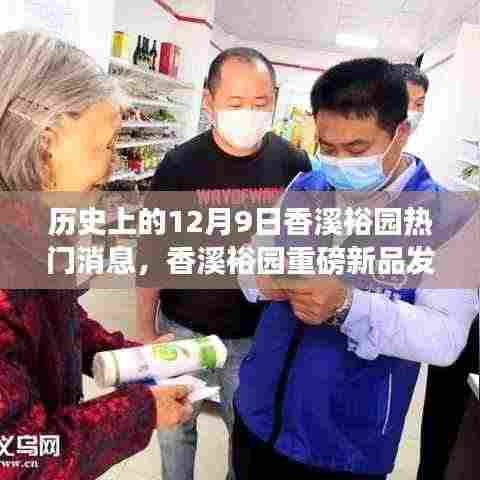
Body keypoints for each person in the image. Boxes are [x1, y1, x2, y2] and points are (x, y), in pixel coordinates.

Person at [233, 58, 478, 479]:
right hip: (259, 414)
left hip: (345, 447)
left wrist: (348, 306)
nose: (339, 161)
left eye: (357, 149)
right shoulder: (304, 187)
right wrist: (266, 279)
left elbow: (446, 339)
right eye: (327, 148)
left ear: (400, 134)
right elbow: (249, 260)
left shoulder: (451, 220)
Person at [0, 31, 193, 480]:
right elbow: (19, 459)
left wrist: (133, 358)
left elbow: (55, 319)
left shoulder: (30, 227)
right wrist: (142, 410)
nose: (109, 168)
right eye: (104, 146)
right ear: (44, 143)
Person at [136, 47, 311, 480]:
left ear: (275, 99)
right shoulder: (180, 165)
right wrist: (144, 329)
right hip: (183, 329)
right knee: (175, 430)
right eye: (235, 103)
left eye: (260, 102)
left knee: (247, 435)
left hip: (256, 335)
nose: (249, 114)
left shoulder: (293, 165)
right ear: (209, 101)